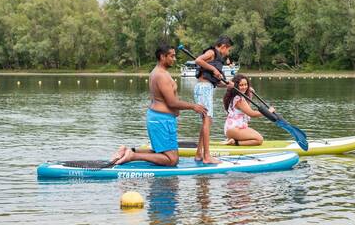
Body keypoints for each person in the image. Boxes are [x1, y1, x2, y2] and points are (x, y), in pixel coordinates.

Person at [111, 44, 207, 166]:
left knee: (160, 151)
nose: (174, 59)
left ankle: (129, 150)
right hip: (161, 120)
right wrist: (193, 106)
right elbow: (171, 102)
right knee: (172, 160)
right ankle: (133, 156)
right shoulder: (160, 75)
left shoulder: (160, 72)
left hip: (161, 119)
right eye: (172, 56)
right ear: (162, 56)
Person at [194, 35, 234, 163]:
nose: (228, 53)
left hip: (207, 87)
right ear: (223, 47)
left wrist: (227, 85)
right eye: (228, 50)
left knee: (207, 121)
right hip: (204, 88)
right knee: (207, 121)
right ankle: (207, 157)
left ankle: (199, 154)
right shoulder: (211, 52)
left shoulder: (217, 59)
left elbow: (216, 83)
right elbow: (198, 60)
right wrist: (213, 69)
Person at [222, 74, 275, 146]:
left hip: (232, 128)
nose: (244, 87)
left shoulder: (236, 96)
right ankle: (235, 142)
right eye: (241, 85)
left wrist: (250, 95)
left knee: (257, 138)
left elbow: (247, 106)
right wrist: (268, 112)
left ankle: (233, 140)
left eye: (246, 84)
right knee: (259, 140)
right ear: (236, 86)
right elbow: (252, 114)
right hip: (234, 128)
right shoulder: (239, 100)